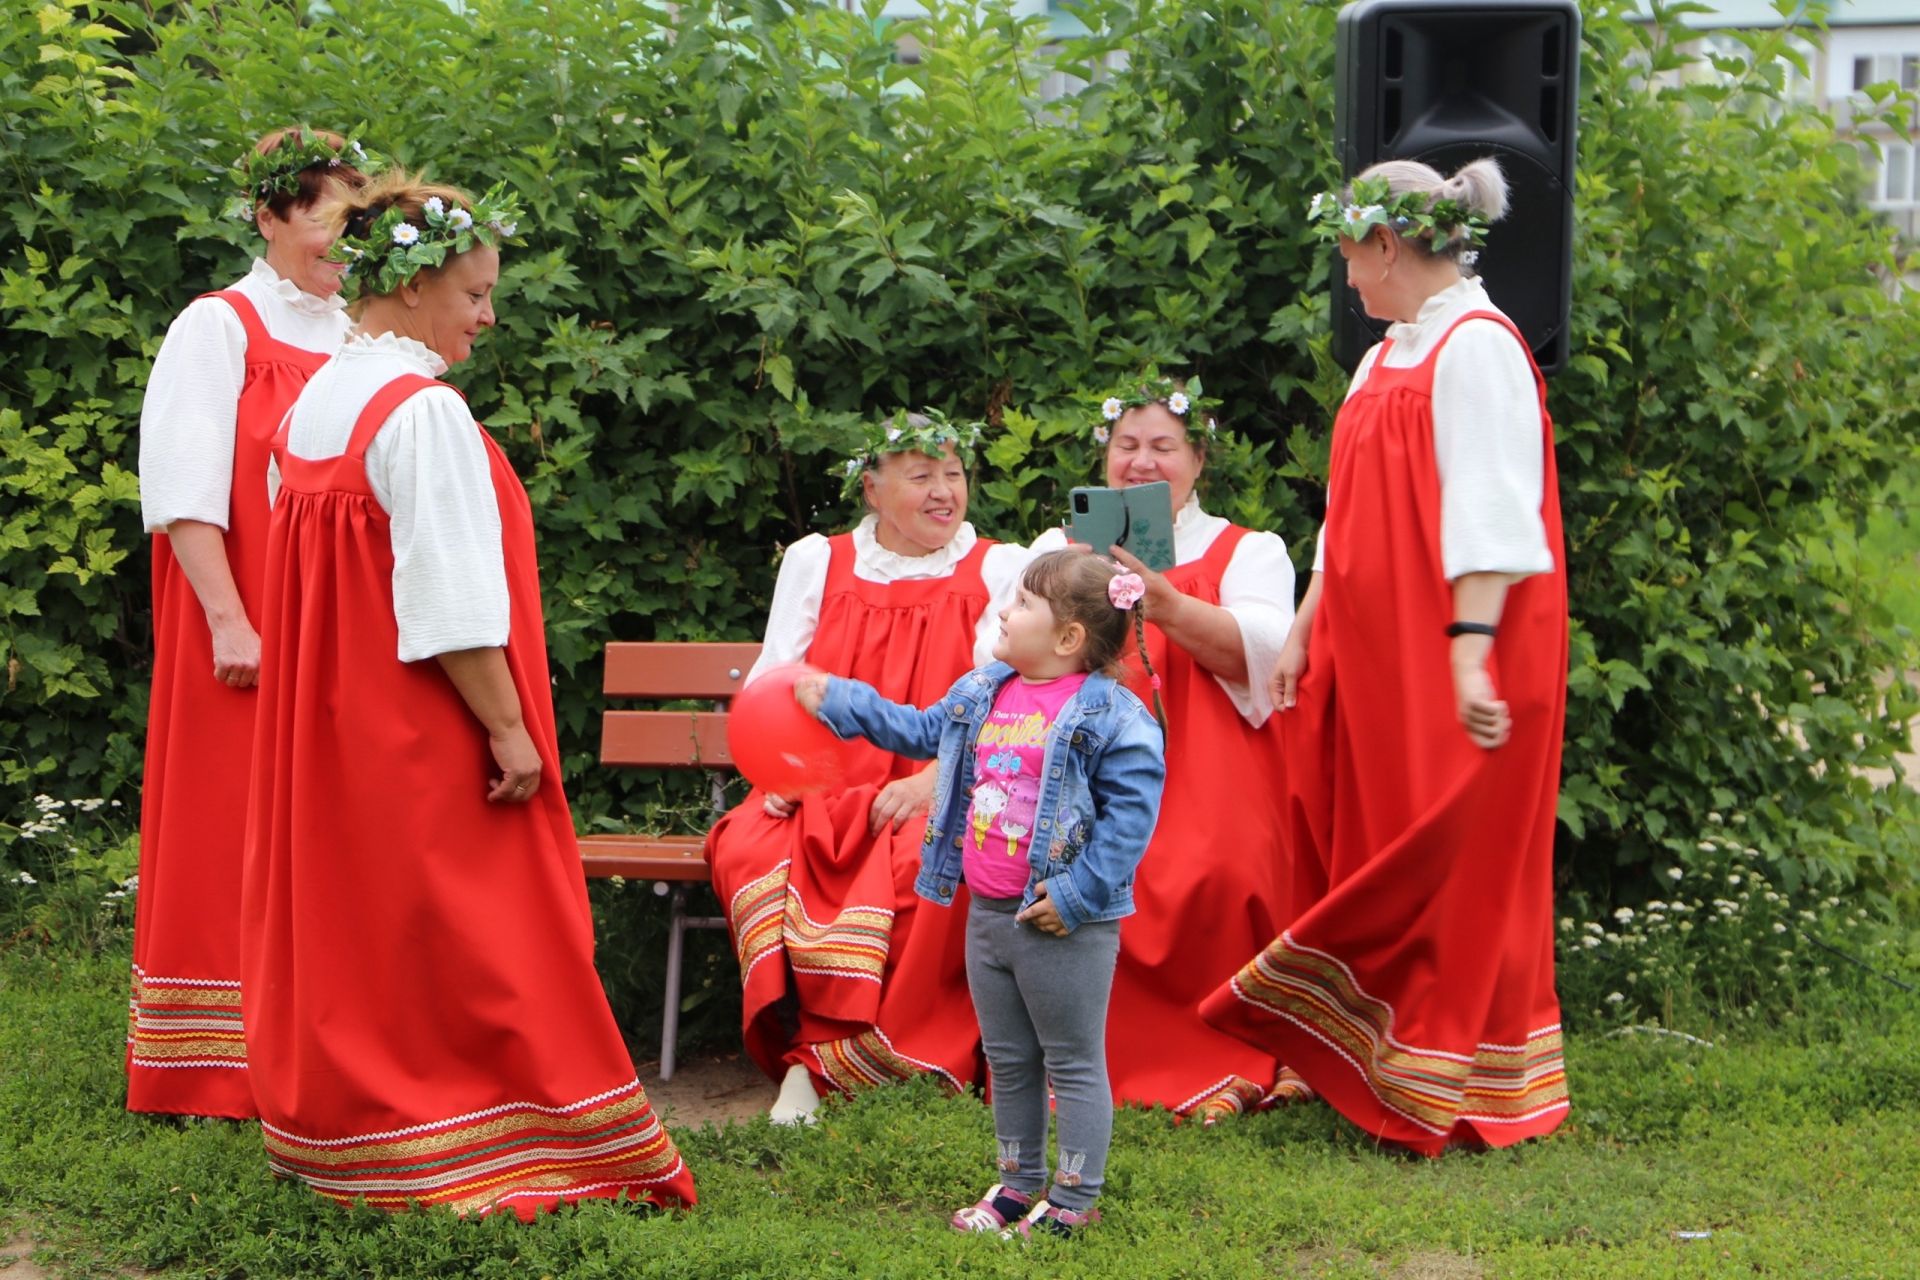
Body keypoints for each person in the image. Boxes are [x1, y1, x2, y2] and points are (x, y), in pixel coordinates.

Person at [240, 171, 695, 1216]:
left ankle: (356, 1139)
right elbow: (449, 603)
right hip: (418, 720)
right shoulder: (420, 411)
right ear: (410, 286)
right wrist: (509, 728)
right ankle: (503, 1135)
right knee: (489, 924)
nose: (489, 316)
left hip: (331, 723)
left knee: (370, 924)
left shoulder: (316, 398)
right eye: (476, 293)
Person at [1201, 158, 1571, 1155]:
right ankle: (1379, 1066)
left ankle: (1465, 1084)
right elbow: (1347, 519)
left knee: (1451, 853)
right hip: (1372, 650)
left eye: (1352, 259)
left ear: (1390, 246)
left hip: (1457, 647)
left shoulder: (1480, 347)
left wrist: (1468, 652)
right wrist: (1308, 631)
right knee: (1372, 834)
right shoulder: (1384, 356)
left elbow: (1497, 515)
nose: (1349, 281)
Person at [795, 550, 1166, 1238]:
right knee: (1009, 1058)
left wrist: (1078, 895)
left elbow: (1131, 818)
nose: (1003, 610)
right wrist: (841, 699)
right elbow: (916, 730)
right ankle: (1018, 1184)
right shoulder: (985, 690)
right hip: (989, 913)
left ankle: (1075, 1200)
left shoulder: (1112, 714)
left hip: (1060, 920)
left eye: (1022, 603)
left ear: (1068, 638)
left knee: (1072, 1059)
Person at [129, 127, 372, 1119]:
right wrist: (229, 618)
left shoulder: (362, 333)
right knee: (231, 821)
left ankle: (321, 1044)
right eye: (323, 211)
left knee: (331, 823)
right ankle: (210, 1067)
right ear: (270, 217)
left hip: (341, 620)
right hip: (246, 612)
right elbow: (182, 486)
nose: (341, 235)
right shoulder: (215, 325)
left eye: (355, 214)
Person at [705, 412, 1026, 1124]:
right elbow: (774, 681)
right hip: (828, 778)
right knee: (753, 845)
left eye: (954, 474)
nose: (945, 492)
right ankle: (807, 1051)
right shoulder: (817, 560)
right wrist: (777, 774)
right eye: (922, 476)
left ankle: (861, 1064)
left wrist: (939, 778)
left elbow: (1012, 700)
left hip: (944, 780)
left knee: (932, 862)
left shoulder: (1000, 567)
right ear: (873, 489)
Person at [1029, 376, 1300, 1122]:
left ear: (1197, 460)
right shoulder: (1058, 550)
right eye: (1127, 446)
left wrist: (1166, 602)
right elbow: (1005, 652)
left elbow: (1268, 653)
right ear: (1106, 457)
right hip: (1079, 774)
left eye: (1163, 447)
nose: (1143, 463)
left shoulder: (1250, 550)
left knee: (1213, 868)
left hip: (1208, 773)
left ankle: (1208, 1054)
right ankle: (1064, 1060)